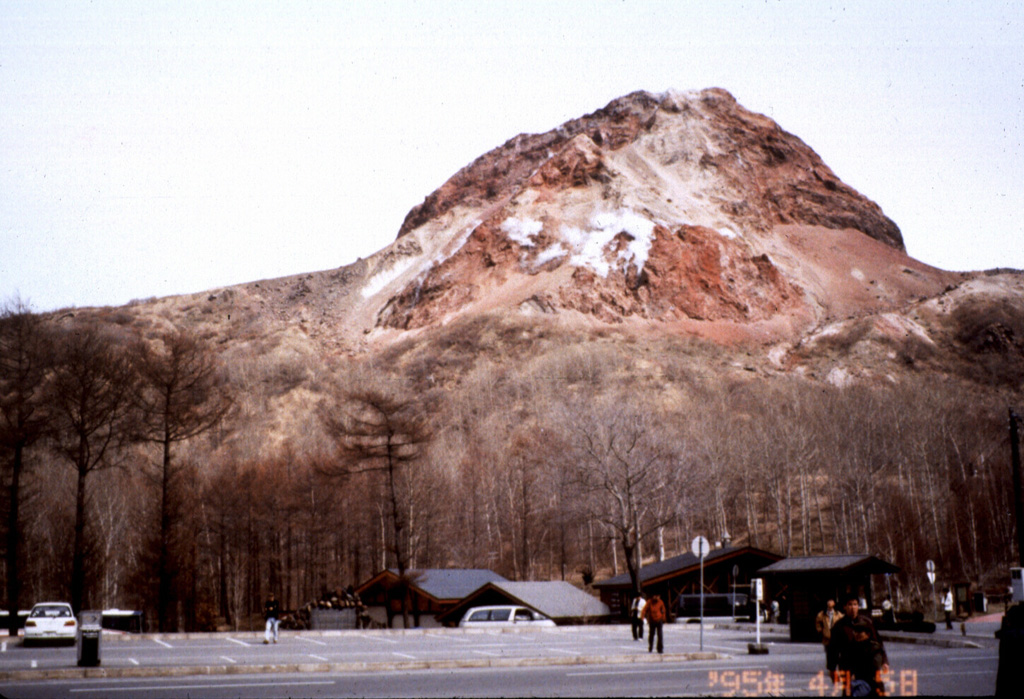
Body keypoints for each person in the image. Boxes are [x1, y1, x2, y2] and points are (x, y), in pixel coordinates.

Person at [827, 595, 889, 696]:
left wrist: (884, 662)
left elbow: (878, 644)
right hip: (847, 666)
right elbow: (832, 650)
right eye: (850, 605)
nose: (853, 608)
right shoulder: (839, 626)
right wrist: (832, 669)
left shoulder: (867, 623)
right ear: (845, 607)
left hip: (867, 666)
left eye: (855, 604)